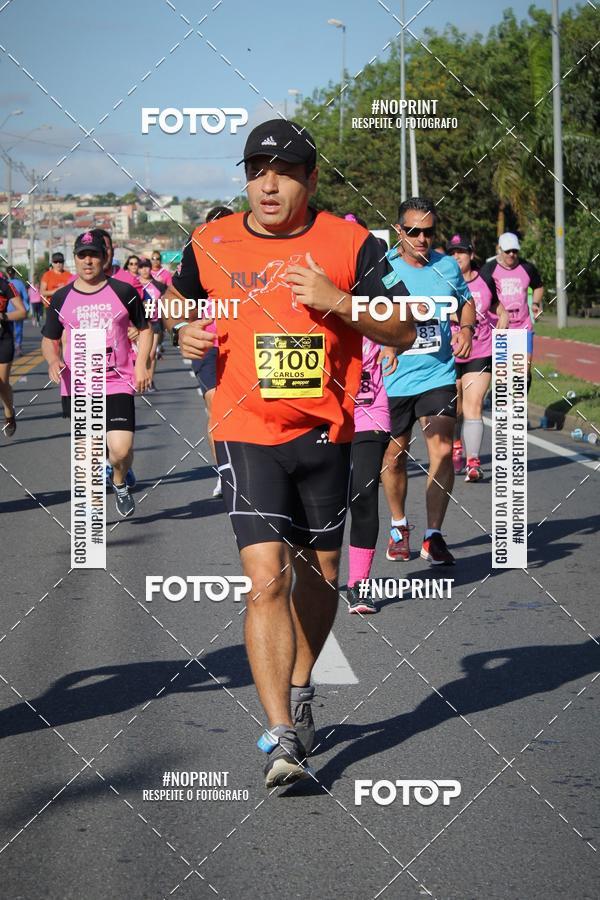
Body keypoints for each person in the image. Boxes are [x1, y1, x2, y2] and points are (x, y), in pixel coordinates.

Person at [162, 119, 415, 788]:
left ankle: (302, 684)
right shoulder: (210, 241)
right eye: (255, 170)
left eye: (283, 171)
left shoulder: (350, 243)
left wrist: (338, 301)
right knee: (267, 578)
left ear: (309, 179)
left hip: (326, 432)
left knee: (321, 574)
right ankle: (281, 739)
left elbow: (405, 326)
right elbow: (173, 302)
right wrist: (184, 329)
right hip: (245, 431)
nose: (266, 184)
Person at [380, 197, 476, 567]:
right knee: (394, 457)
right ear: (399, 231)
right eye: (414, 231)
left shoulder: (447, 267)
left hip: (437, 372)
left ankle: (433, 535)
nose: (423, 239)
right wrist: (386, 342)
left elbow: (465, 301)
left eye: (429, 232)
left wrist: (465, 327)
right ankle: (398, 526)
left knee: (440, 451)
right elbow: (362, 313)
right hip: (394, 377)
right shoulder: (382, 267)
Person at [41, 231, 152, 517]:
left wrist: (141, 365)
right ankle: (92, 515)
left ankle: (119, 481)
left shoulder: (123, 292)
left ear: (104, 258)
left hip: (117, 379)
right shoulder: (63, 296)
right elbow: (49, 337)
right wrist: (53, 360)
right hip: (79, 382)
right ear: (75, 258)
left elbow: (146, 328)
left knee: (120, 450)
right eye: (82, 255)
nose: (88, 260)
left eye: (94, 255)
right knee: (90, 453)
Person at [446, 234, 509, 481]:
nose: (456, 257)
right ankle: (456, 445)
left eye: (461, 252)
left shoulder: (485, 280)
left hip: (480, 351)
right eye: (451, 252)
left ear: (471, 255)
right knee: (454, 409)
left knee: (473, 405)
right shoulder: (442, 280)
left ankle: (473, 462)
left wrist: (503, 316)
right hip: (449, 354)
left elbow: (496, 306)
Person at [346, 335, 393, 615]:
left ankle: (358, 584)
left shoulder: (373, 293)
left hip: (368, 408)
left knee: (363, 492)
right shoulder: (307, 293)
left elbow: (402, 313)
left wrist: (392, 343)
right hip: (319, 411)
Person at [191, 205, 234, 499]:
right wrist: (183, 325)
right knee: (216, 406)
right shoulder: (197, 261)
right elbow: (179, 301)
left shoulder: (248, 259)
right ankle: (225, 471)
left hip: (242, 343)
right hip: (209, 344)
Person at [479, 232, 543, 393]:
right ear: (499, 249)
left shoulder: (527, 268)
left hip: (523, 326)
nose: (512, 255)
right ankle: (502, 408)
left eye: (515, 251)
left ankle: (519, 408)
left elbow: (538, 286)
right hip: (499, 327)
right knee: (503, 372)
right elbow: (479, 291)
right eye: (508, 251)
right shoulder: (489, 269)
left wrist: (535, 303)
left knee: (524, 371)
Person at [0, 273, 26, 437]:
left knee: (2, 384)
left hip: (3, 339)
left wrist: (2, 316)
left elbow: (22, 312)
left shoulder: (5, 285)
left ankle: (9, 414)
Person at [137, 257, 166, 393]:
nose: (144, 270)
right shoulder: (134, 285)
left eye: (147, 267)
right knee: (140, 354)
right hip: (139, 324)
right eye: (141, 267)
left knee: (152, 353)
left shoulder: (158, 285)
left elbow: (167, 301)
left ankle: (149, 380)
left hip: (155, 323)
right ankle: (140, 378)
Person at [6, 266, 29, 357]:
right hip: (19, 311)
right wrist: (26, 307)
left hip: (8, 311)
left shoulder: (5, 283)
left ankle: (10, 346)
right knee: (19, 329)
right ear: (15, 273)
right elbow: (26, 296)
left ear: (8, 274)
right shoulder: (20, 283)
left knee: (9, 330)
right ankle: (18, 346)